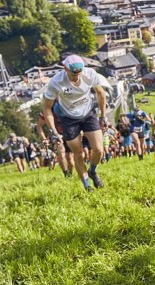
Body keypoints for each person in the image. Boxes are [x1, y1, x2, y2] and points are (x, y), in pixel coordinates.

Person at [42, 54, 110, 191]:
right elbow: (47, 108)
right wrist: (53, 131)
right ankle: (87, 186)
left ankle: (92, 171)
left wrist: (103, 117)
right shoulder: (56, 82)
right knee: (78, 154)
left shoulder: (90, 74)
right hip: (68, 118)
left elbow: (101, 93)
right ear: (65, 69)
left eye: (79, 74)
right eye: (73, 75)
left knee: (98, 149)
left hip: (88, 112)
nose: (76, 78)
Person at [37, 110, 74, 178]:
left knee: (70, 159)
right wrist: (44, 139)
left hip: (69, 132)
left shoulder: (65, 105)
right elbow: (39, 126)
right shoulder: (46, 110)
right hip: (55, 135)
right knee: (61, 152)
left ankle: (70, 173)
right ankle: (66, 174)